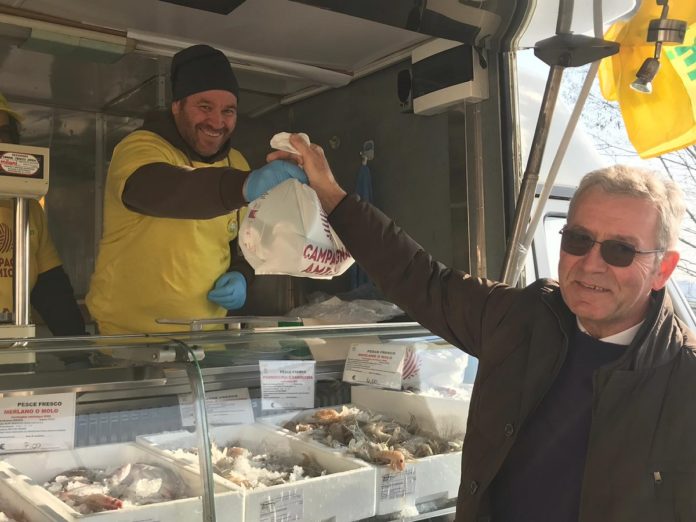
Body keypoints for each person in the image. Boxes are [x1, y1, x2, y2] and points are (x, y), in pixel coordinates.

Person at [275, 134, 695, 522]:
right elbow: (419, 277)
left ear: (663, 269)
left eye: (621, 250)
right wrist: (331, 194)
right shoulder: (520, 317)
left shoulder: (685, 381)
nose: (591, 264)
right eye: (579, 240)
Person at [86, 44, 307, 335]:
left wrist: (242, 274)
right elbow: (161, 189)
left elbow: (248, 242)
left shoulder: (236, 163)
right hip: (128, 338)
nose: (217, 121)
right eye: (205, 107)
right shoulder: (141, 147)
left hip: (208, 336)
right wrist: (243, 185)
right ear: (177, 106)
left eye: (228, 111)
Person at [0, 93, 86, 337]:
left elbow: (51, 288)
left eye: (5, 134)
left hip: (14, 345)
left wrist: (77, 349)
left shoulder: (27, 207)